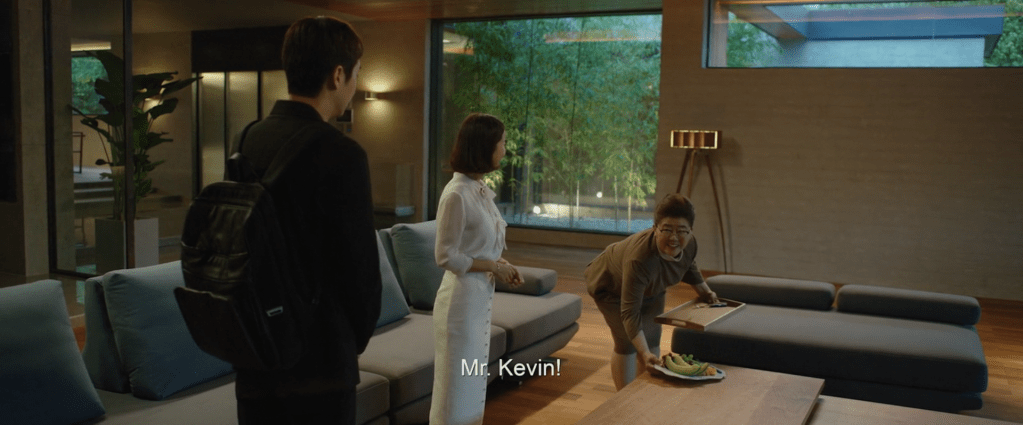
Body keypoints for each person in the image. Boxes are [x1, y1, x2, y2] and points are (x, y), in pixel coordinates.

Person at [231, 16, 381, 425]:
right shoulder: (343, 154)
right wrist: (351, 339)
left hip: (257, 348)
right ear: (337, 75)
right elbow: (360, 270)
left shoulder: (247, 138)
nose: (354, 84)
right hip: (320, 359)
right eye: (356, 73)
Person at [431, 113, 523, 425]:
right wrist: (491, 266)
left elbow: (477, 246)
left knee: (471, 387)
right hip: (460, 303)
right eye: (502, 143)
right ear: (485, 146)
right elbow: (445, 256)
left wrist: (501, 264)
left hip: (478, 297)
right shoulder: (457, 194)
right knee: (454, 392)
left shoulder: (478, 188)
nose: (505, 150)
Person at [585, 194, 718, 391]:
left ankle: (645, 393)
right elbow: (630, 313)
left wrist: (706, 292)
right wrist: (644, 353)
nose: (674, 238)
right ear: (655, 229)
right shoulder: (640, 258)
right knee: (627, 343)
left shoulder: (690, 244)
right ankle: (624, 399)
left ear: (691, 231)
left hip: (651, 288)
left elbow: (688, 266)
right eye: (667, 229)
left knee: (653, 337)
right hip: (611, 287)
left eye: (682, 230)